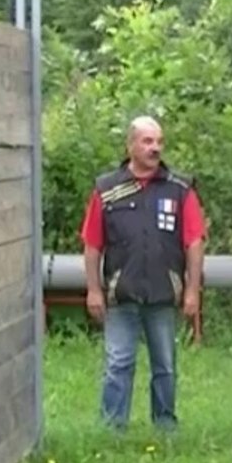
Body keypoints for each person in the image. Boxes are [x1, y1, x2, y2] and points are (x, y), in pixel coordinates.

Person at [79, 115, 206, 433]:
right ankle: (111, 429)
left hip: (164, 293)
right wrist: (93, 290)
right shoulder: (107, 189)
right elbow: (92, 244)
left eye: (159, 142)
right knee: (118, 364)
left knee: (165, 366)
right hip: (121, 294)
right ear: (131, 145)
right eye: (148, 142)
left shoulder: (180, 189)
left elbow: (194, 241)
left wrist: (192, 290)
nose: (155, 148)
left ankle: (165, 426)